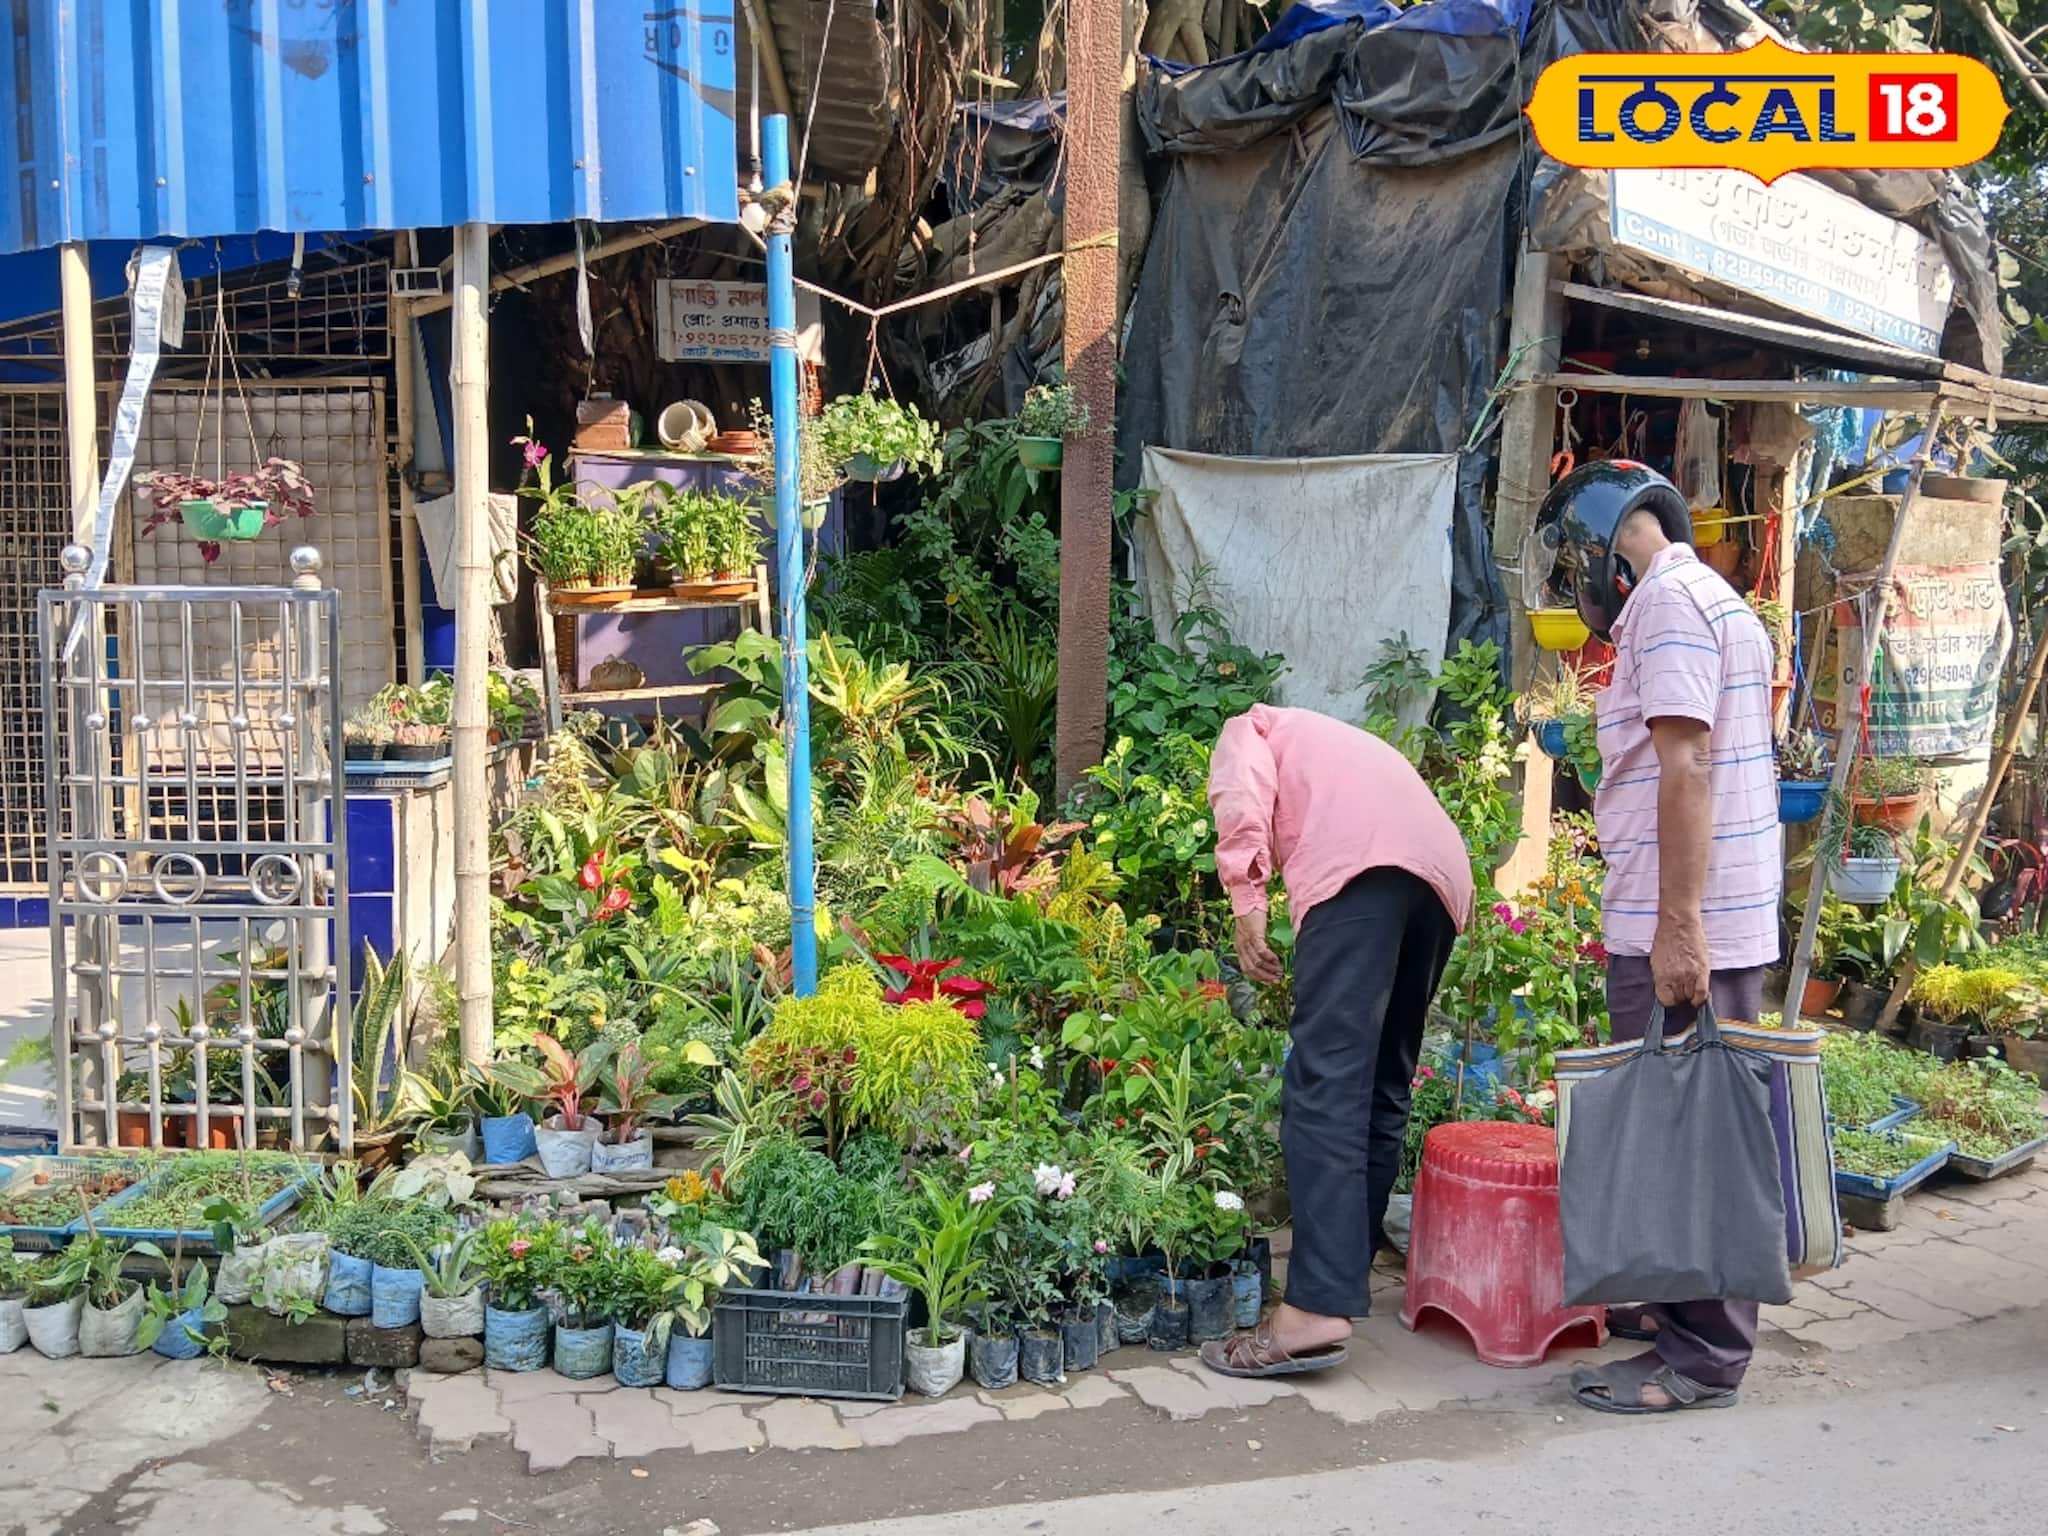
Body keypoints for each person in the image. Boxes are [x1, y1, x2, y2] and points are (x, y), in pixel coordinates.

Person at [1542, 462, 1781, 1415]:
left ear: (1606, 553)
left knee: (1693, 1133)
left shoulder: (1674, 609)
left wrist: (1678, 928)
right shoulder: (1708, 598)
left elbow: (1687, 767)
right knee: (1686, 1120)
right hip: (1700, 908)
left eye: (1573, 562)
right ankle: (1683, 1310)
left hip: (1687, 917)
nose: (1574, 585)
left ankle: (1705, 1356)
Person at [1198, 703, 1473, 1379]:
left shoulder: (1251, 727)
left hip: (1361, 866)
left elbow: (1240, 796)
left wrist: (1246, 902)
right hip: (1441, 878)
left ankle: (1316, 1306)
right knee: (1382, 1079)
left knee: (1324, 1083)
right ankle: (1344, 1273)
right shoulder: (1340, 741)